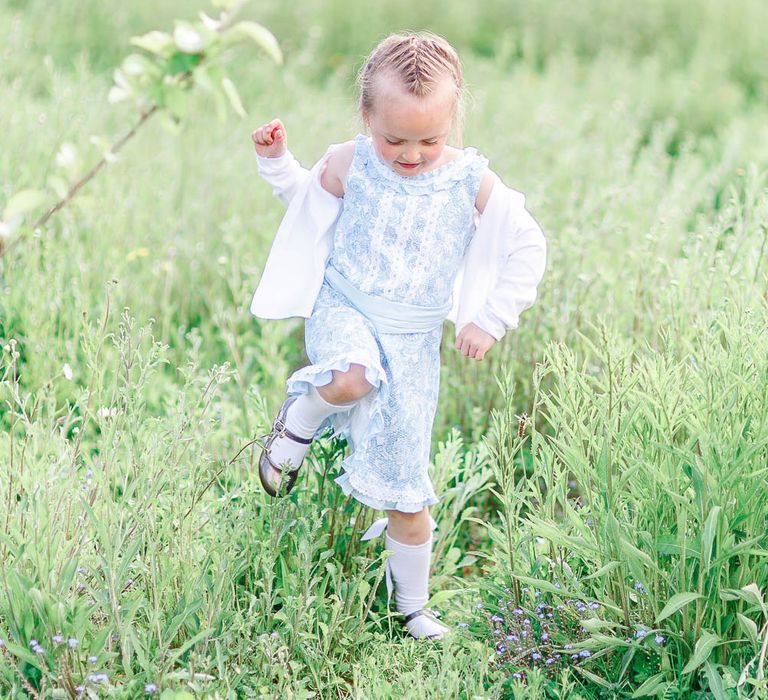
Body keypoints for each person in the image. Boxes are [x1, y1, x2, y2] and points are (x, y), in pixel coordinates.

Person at [249, 32, 546, 641]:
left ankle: (409, 608)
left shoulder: (471, 182)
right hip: (347, 306)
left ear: (453, 120)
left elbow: (529, 246)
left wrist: (488, 319)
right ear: (367, 118)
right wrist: (278, 162)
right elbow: (303, 201)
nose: (411, 154)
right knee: (351, 377)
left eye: (429, 140)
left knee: (408, 495)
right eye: (394, 139)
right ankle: (298, 419)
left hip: (412, 345)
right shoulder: (350, 161)